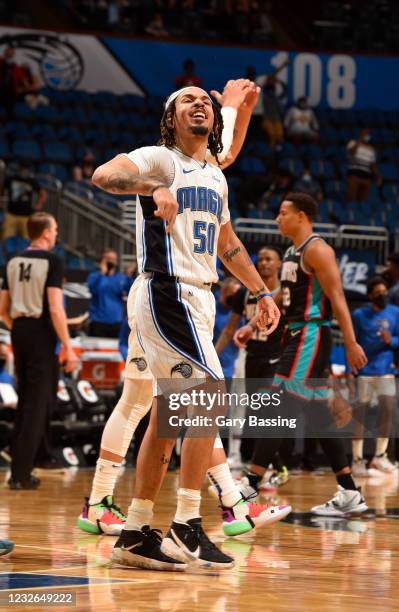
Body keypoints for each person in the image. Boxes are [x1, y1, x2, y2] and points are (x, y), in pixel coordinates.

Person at [91, 84, 282, 570]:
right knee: (210, 396)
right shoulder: (159, 159)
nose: (199, 104)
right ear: (170, 119)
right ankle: (187, 525)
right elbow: (103, 174)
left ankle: (135, 533)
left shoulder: (214, 175)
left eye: (205, 101)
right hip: (167, 290)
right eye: (186, 100)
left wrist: (261, 292)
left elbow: (227, 241)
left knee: (168, 417)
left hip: (199, 297)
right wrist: (149, 187)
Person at [236, 193, 369, 516]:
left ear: (302, 216)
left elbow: (337, 297)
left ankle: (250, 485)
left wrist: (350, 343)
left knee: (277, 403)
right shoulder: (291, 251)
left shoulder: (318, 249)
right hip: (295, 334)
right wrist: (253, 324)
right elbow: (283, 294)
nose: (277, 218)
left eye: (283, 213)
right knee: (319, 416)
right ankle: (350, 492)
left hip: (310, 334)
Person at [0, 212, 79, 489]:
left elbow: (2, 309)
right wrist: (68, 347)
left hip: (19, 330)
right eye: (55, 229)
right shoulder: (53, 261)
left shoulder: (12, 260)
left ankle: (23, 467)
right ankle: (21, 475)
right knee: (37, 403)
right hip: (41, 332)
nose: (56, 234)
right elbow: (56, 308)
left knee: (27, 400)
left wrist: (20, 326)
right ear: (45, 232)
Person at [214, 246, 288, 489]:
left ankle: (277, 468)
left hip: (276, 358)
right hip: (251, 357)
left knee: (266, 412)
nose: (264, 263)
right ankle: (264, 469)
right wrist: (214, 355)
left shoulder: (284, 293)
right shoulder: (244, 294)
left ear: (279, 264)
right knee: (253, 416)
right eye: (261, 259)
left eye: (270, 259)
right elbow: (229, 328)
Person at [350, 277, 399, 476]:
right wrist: (350, 368)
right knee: (360, 416)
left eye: (384, 291)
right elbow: (352, 342)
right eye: (378, 292)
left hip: (386, 370)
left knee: (387, 411)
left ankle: (380, 457)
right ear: (370, 295)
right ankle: (357, 460)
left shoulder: (395, 312)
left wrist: (392, 340)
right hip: (364, 370)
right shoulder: (360, 314)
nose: (382, 295)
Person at [384, 252, 399, 476]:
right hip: (396, 355)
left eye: (390, 264)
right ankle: (395, 458)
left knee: (396, 407)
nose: (387, 268)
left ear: (398, 267)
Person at [87, 249, 133, 338]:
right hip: (98, 321)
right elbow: (93, 290)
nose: (111, 261)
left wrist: (129, 276)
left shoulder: (122, 278)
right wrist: (102, 273)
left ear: (116, 262)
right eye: (108, 258)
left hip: (116, 322)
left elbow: (132, 292)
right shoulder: (94, 276)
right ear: (103, 260)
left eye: (113, 259)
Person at [1, 163, 47, 240]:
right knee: (5, 239)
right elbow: (2, 187)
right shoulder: (11, 179)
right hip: (11, 213)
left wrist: (39, 204)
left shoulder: (32, 181)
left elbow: (42, 193)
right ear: (19, 169)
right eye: (22, 169)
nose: (24, 171)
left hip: (26, 215)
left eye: (26, 169)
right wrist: (1, 199)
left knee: (26, 239)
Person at [346, 128, 381, 202]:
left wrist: (377, 176)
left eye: (368, 134)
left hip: (366, 177)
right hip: (354, 175)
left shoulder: (371, 149)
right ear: (360, 133)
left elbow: (372, 164)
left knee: (363, 201)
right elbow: (352, 152)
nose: (366, 135)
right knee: (351, 199)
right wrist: (359, 141)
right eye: (365, 133)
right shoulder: (353, 143)